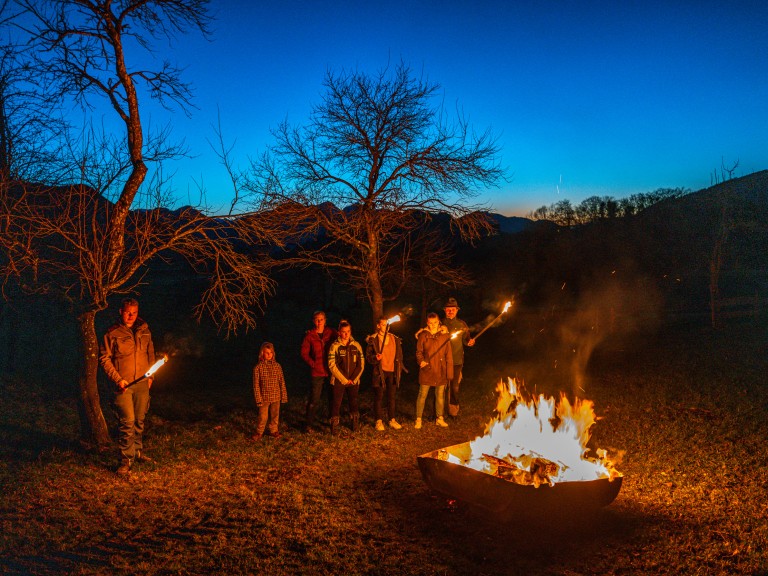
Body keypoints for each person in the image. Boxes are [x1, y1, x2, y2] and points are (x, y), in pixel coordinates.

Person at [99, 298, 156, 475]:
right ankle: (126, 459)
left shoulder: (145, 331)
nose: (131, 316)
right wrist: (118, 379)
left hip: (142, 384)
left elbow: (151, 354)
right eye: (127, 312)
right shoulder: (112, 333)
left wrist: (151, 376)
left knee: (139, 420)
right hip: (123, 386)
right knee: (127, 422)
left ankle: (137, 452)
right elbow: (104, 359)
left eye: (134, 312)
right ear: (120, 312)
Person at [415, 312, 454, 429]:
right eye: (430, 323)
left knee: (440, 395)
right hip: (427, 369)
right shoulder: (423, 335)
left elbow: (449, 355)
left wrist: (449, 372)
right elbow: (419, 352)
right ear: (427, 323)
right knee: (422, 394)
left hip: (440, 370)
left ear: (439, 322)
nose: (433, 325)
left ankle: (439, 418)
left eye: (435, 323)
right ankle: (418, 419)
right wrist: (421, 361)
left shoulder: (444, 336)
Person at [365, 317, 404, 431]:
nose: (385, 326)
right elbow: (368, 357)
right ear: (378, 326)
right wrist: (375, 358)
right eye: (382, 324)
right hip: (380, 372)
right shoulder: (373, 340)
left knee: (391, 397)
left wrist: (399, 367)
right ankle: (379, 421)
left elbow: (399, 355)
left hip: (392, 371)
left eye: (386, 324)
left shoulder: (394, 338)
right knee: (379, 397)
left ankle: (392, 419)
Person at [300, 310, 336, 431]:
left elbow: (343, 338)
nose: (319, 321)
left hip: (331, 370)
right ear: (313, 321)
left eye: (321, 319)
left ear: (325, 320)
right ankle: (308, 424)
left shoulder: (331, 333)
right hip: (317, 372)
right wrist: (313, 363)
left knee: (332, 398)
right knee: (314, 399)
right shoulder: (310, 336)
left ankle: (333, 423)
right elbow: (304, 353)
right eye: (317, 319)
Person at [327, 320, 364, 434]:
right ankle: (334, 425)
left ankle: (354, 423)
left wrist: (354, 379)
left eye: (348, 331)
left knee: (354, 401)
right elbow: (332, 365)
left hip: (354, 381)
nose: (346, 334)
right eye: (343, 332)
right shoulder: (335, 346)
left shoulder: (356, 345)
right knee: (336, 403)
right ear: (339, 333)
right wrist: (344, 379)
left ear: (350, 331)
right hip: (339, 381)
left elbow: (361, 364)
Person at [442, 297, 475, 418]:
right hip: (442, 361)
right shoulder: (440, 324)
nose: (450, 311)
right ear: (445, 310)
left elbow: (466, 339)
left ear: (457, 310)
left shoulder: (462, 324)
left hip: (456, 361)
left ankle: (453, 412)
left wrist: (469, 342)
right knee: (440, 387)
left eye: (453, 309)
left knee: (454, 387)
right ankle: (439, 413)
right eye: (448, 309)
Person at [251, 342, 288, 441]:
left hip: (276, 396)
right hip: (264, 397)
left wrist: (283, 395)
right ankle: (259, 432)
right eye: (266, 352)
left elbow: (281, 381)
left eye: (271, 352)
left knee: (275, 415)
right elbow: (256, 385)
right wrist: (258, 398)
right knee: (263, 416)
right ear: (262, 353)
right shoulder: (258, 368)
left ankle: (274, 430)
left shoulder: (277, 366)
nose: (269, 355)